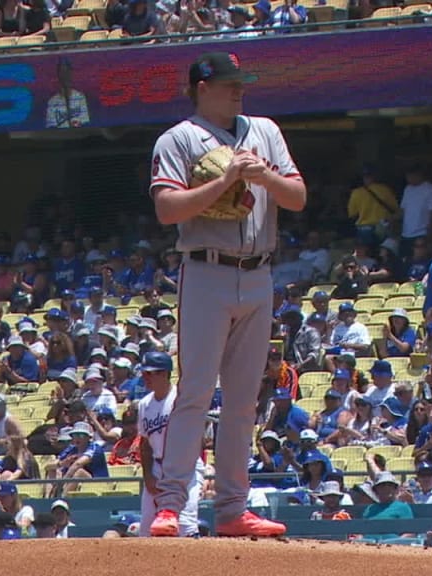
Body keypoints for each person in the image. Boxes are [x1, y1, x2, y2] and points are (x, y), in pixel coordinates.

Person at [147, 52, 305, 538]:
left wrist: (263, 177)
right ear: (201, 86)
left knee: (242, 400)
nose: (239, 90)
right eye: (228, 83)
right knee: (194, 392)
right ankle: (171, 505)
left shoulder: (265, 131)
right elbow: (167, 209)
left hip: (259, 274)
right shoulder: (179, 138)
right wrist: (225, 181)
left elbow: (296, 197)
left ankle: (233, 508)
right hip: (206, 271)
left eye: (241, 82)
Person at [137, 352, 203, 537]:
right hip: (157, 467)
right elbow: (145, 444)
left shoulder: (180, 400)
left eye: (150, 373)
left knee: (185, 525)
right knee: (147, 529)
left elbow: (197, 438)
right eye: (144, 373)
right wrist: (148, 476)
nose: (145, 378)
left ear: (165, 373)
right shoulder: (144, 405)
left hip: (184, 467)